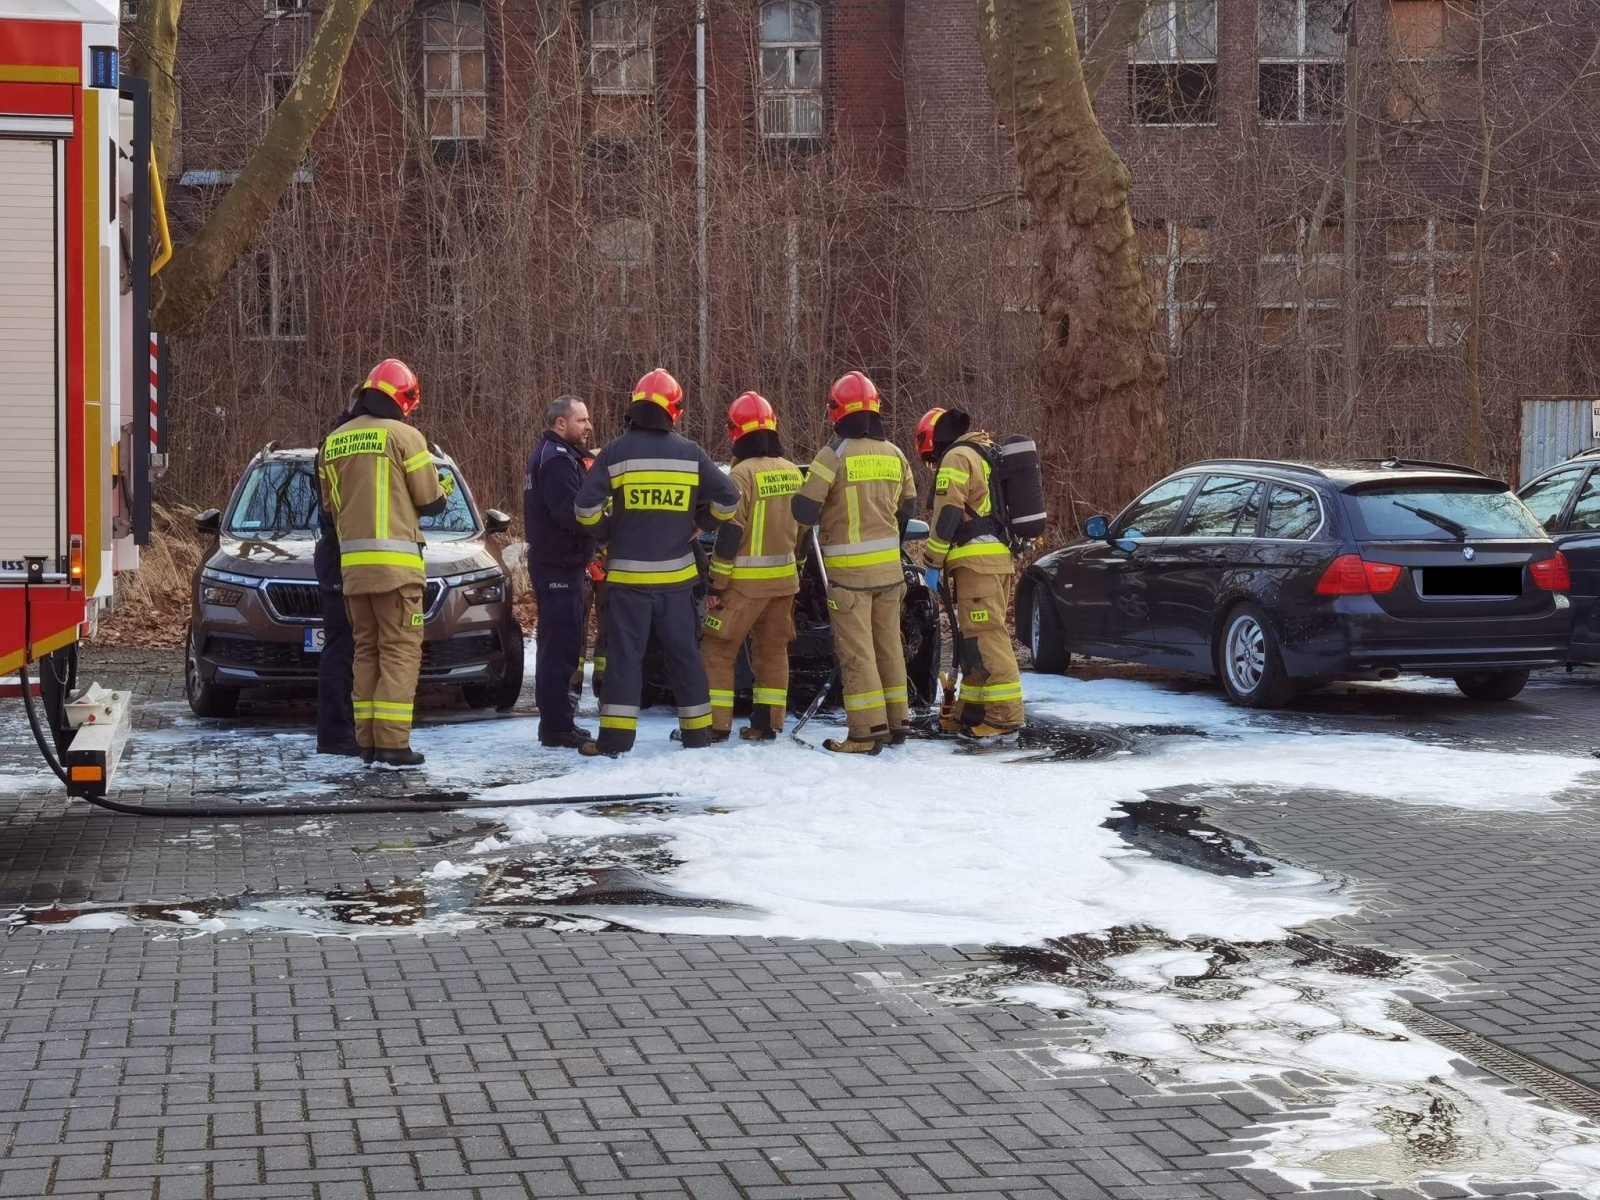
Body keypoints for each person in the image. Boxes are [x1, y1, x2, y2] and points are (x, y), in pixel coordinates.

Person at [573, 368, 740, 757]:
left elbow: (584, 510)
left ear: (635, 405)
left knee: (624, 660)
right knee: (685, 658)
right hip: (677, 583)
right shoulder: (690, 453)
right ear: (674, 410)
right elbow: (728, 500)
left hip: (628, 582)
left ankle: (615, 741)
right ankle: (698, 735)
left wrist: (611, 532)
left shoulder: (615, 452)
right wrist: (700, 524)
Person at [317, 359, 448, 768]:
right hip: (397, 572)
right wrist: (441, 486)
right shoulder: (405, 436)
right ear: (404, 398)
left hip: (353, 571)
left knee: (365, 652)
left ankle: (368, 742)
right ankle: (392, 744)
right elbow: (430, 501)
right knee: (400, 652)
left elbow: (330, 509)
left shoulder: (334, 441)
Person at [791, 371, 918, 755]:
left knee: (857, 652)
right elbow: (908, 507)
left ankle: (865, 732)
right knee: (889, 647)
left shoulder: (834, 454)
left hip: (849, 577)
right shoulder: (896, 454)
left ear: (837, 410)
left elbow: (803, 510)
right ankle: (897, 724)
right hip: (891, 573)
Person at [915, 406, 1024, 739]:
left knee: (987, 636)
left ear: (933, 441)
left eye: (930, 457)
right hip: (991, 560)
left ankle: (1004, 717)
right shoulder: (980, 451)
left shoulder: (956, 457)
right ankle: (972, 711)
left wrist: (932, 559)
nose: (933, 462)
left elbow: (948, 513)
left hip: (978, 563)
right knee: (973, 640)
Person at [701, 392, 804, 741]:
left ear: (735, 432)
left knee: (717, 648)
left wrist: (716, 584)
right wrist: (798, 566)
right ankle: (768, 723)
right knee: (772, 650)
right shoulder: (793, 471)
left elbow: (730, 533)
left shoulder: (740, 475)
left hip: (743, 586)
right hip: (784, 584)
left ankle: (715, 725)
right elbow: (804, 530)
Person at [523, 396, 599, 749]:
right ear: (561, 423)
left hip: (561, 563)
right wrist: (606, 526)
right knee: (560, 647)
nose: (588, 426)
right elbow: (570, 512)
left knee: (562, 644)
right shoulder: (556, 460)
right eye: (582, 420)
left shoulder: (560, 455)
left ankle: (559, 721)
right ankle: (555, 726)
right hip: (557, 565)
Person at [313, 394, 360, 756]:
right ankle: (337, 734)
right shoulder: (350, 444)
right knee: (344, 650)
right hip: (345, 559)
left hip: (337, 558)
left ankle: (340, 732)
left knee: (342, 649)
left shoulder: (332, 442)